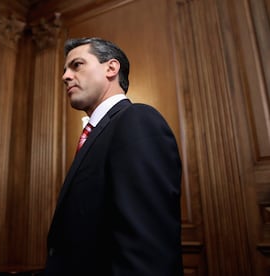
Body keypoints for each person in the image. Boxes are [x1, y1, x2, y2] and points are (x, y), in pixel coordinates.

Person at [44, 37, 183, 275]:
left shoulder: (137, 120)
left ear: (111, 68)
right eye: (65, 70)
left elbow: (146, 249)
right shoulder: (97, 133)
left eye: (76, 65)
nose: (65, 76)